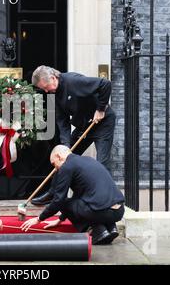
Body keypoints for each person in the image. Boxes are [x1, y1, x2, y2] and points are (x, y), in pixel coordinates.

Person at [30, 65, 116, 206]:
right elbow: (62, 122)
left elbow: (105, 84)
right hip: (83, 126)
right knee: (63, 159)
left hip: (102, 123)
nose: (46, 91)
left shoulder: (73, 81)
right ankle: (53, 193)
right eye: (43, 89)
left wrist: (101, 109)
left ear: (53, 78)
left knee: (102, 163)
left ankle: (104, 200)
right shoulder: (54, 94)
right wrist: (66, 146)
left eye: (46, 87)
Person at [20, 145, 125, 245]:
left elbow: (58, 200)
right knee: (85, 202)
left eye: (53, 164)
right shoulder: (88, 160)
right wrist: (60, 219)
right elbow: (79, 198)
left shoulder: (66, 167)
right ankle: (111, 228)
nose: (55, 168)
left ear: (59, 156)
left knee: (63, 202)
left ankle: (98, 230)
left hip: (101, 211)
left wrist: (39, 219)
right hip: (119, 211)